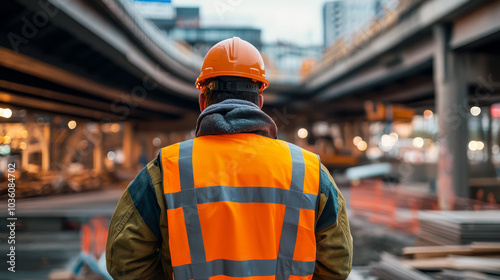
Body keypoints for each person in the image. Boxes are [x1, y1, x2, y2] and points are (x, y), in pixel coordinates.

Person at [106, 37, 352, 280]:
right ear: (261, 101)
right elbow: (337, 264)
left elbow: (125, 260)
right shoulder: (308, 170)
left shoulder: (168, 168)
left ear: (203, 101)